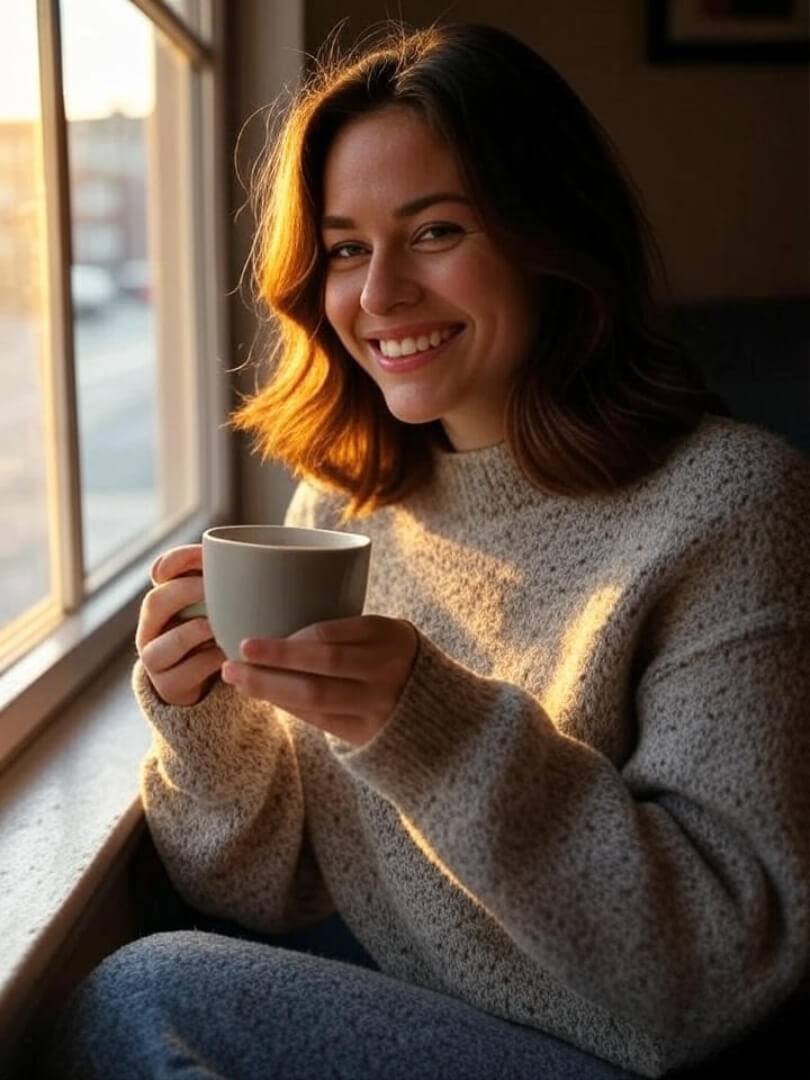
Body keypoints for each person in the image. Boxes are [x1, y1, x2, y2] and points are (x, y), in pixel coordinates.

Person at [41, 21, 809, 1080]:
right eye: (347, 248)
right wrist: (208, 725)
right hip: (403, 1001)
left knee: (144, 996)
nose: (380, 294)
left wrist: (427, 726)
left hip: (616, 1053)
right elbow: (269, 894)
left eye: (436, 231)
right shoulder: (347, 504)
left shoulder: (728, 504)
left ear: (553, 238)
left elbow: (719, 968)